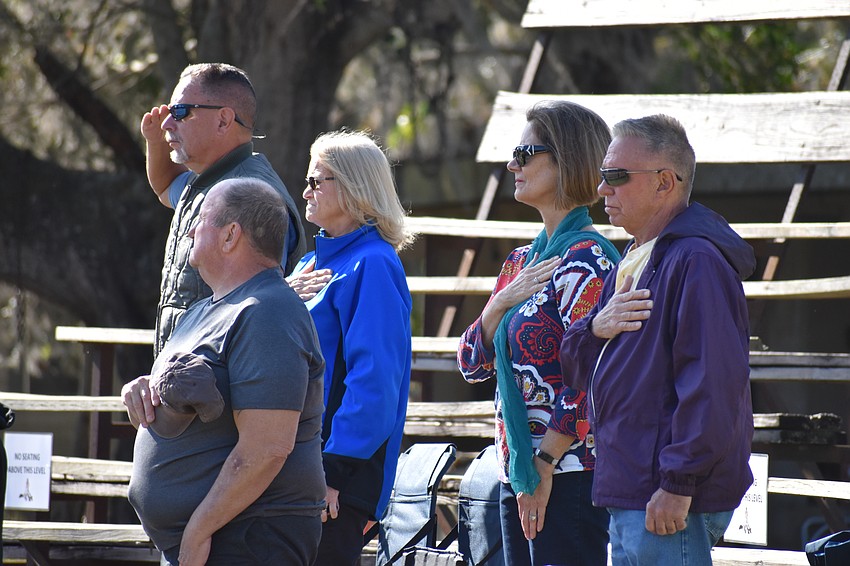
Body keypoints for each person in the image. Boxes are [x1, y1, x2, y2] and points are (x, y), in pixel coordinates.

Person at [560, 114, 755, 566]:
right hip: (631, 491)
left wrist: (677, 484)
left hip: (664, 500)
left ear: (665, 182)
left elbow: (713, 384)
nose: (602, 189)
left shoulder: (696, 260)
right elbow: (573, 368)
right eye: (602, 177)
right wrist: (594, 328)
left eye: (615, 177)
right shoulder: (638, 258)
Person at [121, 178, 325, 566]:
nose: (192, 228)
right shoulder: (203, 310)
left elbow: (267, 448)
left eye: (202, 218)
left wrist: (198, 532)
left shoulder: (267, 311)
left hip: (246, 536)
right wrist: (145, 391)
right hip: (206, 541)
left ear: (231, 235)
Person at [457, 100, 620, 566]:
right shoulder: (519, 263)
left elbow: (587, 378)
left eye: (525, 153)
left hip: (566, 475)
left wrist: (546, 463)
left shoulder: (588, 261)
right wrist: (497, 307)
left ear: (565, 159)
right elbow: (471, 364)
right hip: (518, 474)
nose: (512, 164)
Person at [288, 130, 413, 565]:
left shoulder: (374, 263)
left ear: (355, 187)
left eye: (316, 181)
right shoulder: (308, 264)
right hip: (293, 468)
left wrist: (333, 471)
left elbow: (375, 382)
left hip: (334, 478)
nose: (305, 191)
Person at [140, 62, 306, 356]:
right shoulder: (204, 180)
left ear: (223, 121)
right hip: (190, 386)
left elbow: (259, 306)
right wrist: (155, 142)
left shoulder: (252, 197)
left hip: (226, 392)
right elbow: (166, 188)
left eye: (179, 112)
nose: (168, 123)